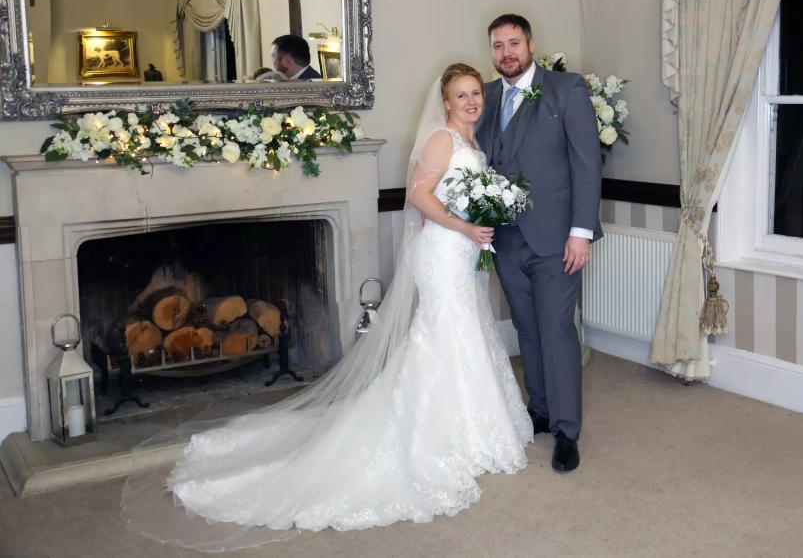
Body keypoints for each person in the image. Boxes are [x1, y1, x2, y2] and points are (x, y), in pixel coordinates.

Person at [121, 63, 532, 551]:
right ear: (445, 101)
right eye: (460, 95)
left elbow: (456, 195)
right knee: (446, 331)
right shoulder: (443, 140)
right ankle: (442, 432)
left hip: (461, 251)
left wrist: (478, 221)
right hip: (444, 252)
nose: (470, 101)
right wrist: (464, 227)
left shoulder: (471, 142)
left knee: (462, 330)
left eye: (475, 93)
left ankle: (470, 427)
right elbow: (418, 196)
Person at [476, 14, 603, 473]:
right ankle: (542, 410)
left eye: (514, 43)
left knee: (556, 330)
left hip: (557, 238)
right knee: (527, 329)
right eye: (497, 45)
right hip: (505, 238)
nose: (506, 53)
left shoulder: (566, 89)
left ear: (531, 45)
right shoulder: (485, 96)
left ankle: (567, 430)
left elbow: (587, 163)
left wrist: (581, 233)